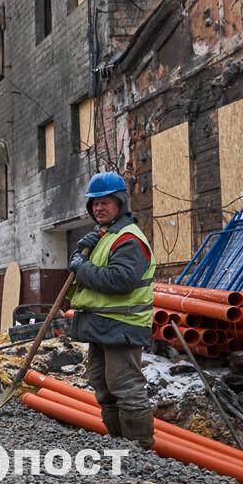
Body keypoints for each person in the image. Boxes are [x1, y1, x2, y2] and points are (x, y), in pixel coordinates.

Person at [67, 172, 157, 449]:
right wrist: (83, 253)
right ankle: (120, 444)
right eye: (94, 203)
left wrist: (82, 267)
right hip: (101, 325)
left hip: (123, 326)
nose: (99, 208)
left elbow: (121, 281)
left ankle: (139, 448)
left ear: (120, 203)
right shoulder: (104, 237)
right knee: (103, 388)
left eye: (105, 202)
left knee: (126, 388)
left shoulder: (128, 238)